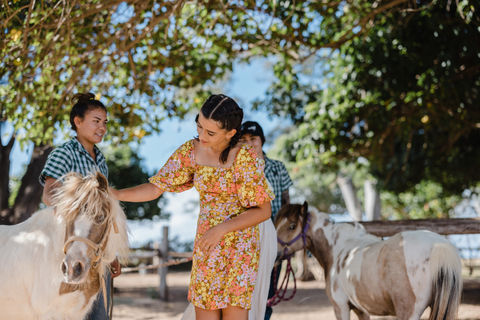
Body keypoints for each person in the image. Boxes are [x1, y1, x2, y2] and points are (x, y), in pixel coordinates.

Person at [112, 94, 274, 320]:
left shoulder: (245, 157)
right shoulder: (191, 151)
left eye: (210, 132)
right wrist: (116, 194)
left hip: (240, 249)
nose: (201, 136)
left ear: (230, 134)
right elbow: (156, 187)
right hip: (207, 246)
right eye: (199, 126)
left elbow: (263, 211)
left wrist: (221, 229)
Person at [39, 92, 121, 320]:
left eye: (105, 123)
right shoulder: (64, 153)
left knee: (99, 315)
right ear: (78, 121)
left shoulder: (100, 159)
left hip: (95, 249)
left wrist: (111, 253)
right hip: (67, 245)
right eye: (96, 121)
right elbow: (49, 195)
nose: (102, 127)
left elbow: (101, 211)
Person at [240, 121, 293, 320]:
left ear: (261, 140)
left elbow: (287, 202)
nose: (249, 143)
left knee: (268, 294)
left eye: (253, 139)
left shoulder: (278, 168)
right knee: (246, 291)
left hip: (274, 236)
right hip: (247, 235)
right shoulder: (238, 169)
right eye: (244, 140)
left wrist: (284, 238)